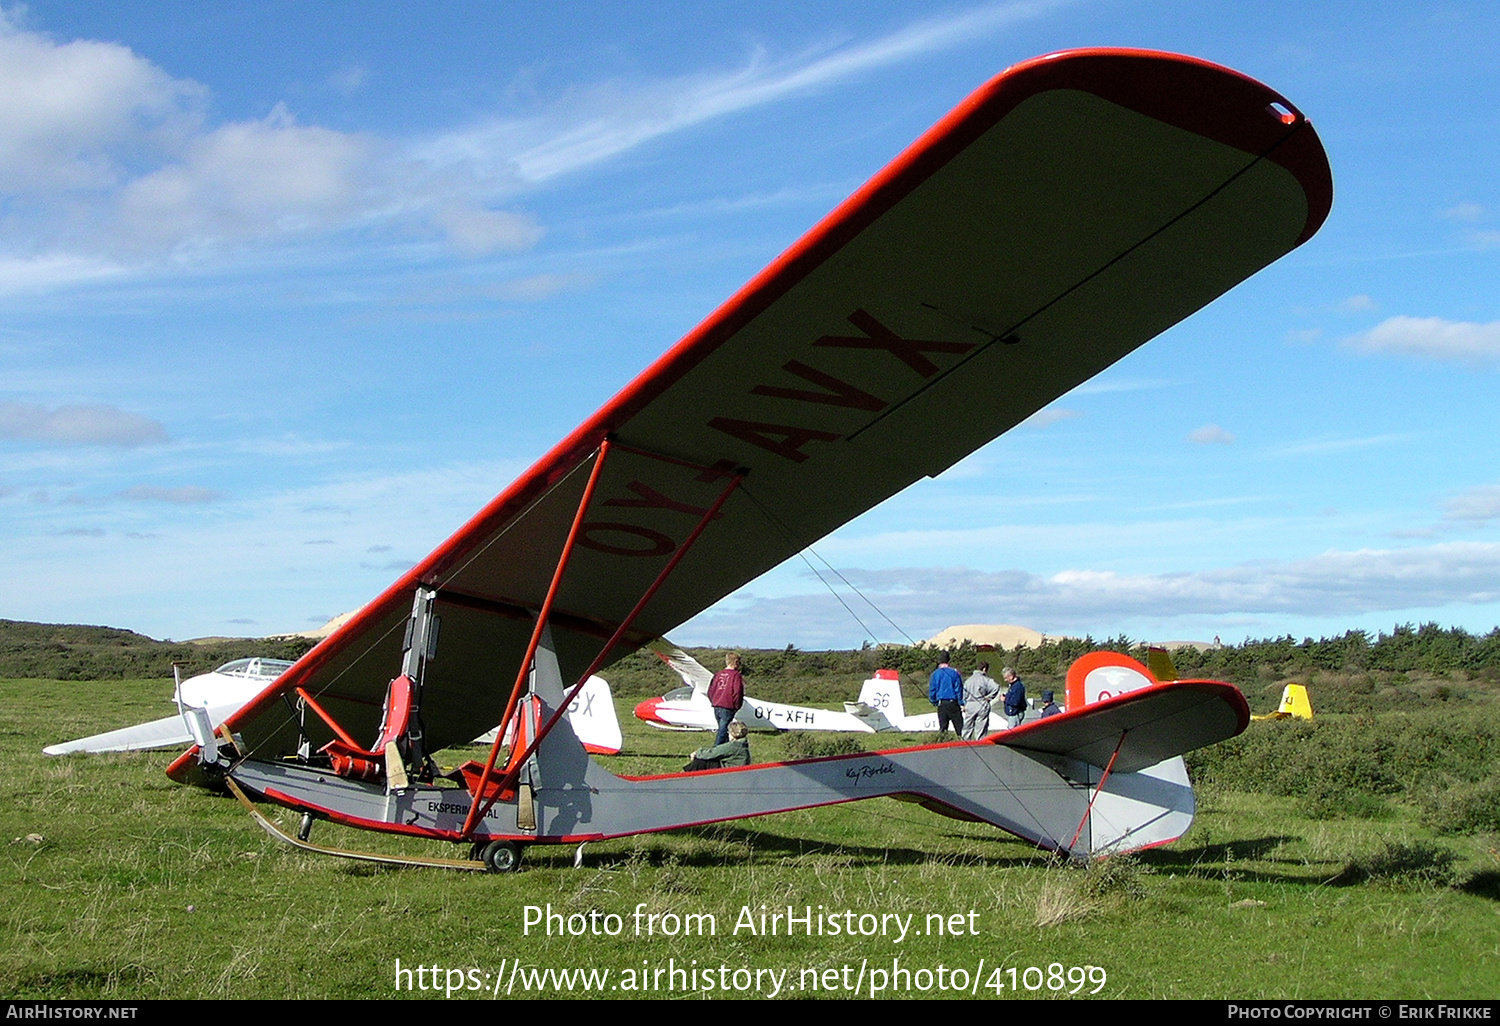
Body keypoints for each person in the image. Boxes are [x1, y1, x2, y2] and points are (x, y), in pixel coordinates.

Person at [707, 651, 745, 746]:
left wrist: (714, 701)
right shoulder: (736, 675)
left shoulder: (718, 674)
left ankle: (724, 752)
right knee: (723, 732)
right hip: (727, 706)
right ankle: (714, 752)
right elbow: (737, 692)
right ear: (736, 662)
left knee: (723, 730)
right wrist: (736, 706)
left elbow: (711, 690)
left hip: (717, 706)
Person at [684, 720, 751, 771]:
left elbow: (712, 753)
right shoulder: (742, 745)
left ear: (733, 734)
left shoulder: (734, 746)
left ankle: (682, 776)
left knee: (700, 762)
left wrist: (697, 752)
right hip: (734, 771)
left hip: (728, 773)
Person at [928, 651, 963, 737]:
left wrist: (934, 701)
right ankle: (962, 742)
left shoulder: (935, 674)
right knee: (959, 728)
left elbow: (932, 689)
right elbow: (959, 689)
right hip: (953, 703)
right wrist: (961, 703)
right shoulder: (954, 673)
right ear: (949, 661)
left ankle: (943, 743)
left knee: (943, 728)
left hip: (941, 703)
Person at [961, 661, 999, 739]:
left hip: (970, 704)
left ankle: (965, 743)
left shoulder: (968, 681)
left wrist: (964, 704)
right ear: (984, 669)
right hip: (982, 703)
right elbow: (996, 687)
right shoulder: (986, 680)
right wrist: (989, 697)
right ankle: (980, 743)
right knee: (981, 728)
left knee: (967, 727)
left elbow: (964, 694)